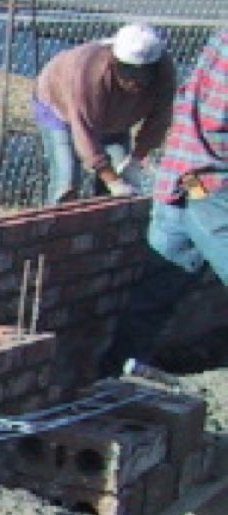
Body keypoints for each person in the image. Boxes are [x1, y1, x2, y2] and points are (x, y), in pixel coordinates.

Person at [104, 28, 228, 376]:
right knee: (159, 286)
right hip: (208, 186)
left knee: (158, 289)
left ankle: (115, 373)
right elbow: (217, 120)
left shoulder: (221, 39)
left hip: (182, 178)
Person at [32, 23, 176, 204]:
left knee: (123, 178)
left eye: (144, 72)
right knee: (66, 180)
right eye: (128, 70)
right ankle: (54, 226)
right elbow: (83, 131)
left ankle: (104, 228)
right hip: (57, 107)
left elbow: (159, 120)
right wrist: (112, 180)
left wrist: (136, 160)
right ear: (115, 61)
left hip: (115, 117)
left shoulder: (164, 72)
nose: (135, 80)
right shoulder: (88, 75)